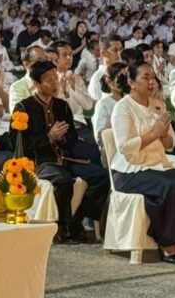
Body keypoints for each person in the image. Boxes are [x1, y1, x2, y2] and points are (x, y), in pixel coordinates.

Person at [111, 61, 175, 263]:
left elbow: (171, 144)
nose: (151, 82)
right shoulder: (123, 108)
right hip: (130, 171)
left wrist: (163, 135)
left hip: (157, 165)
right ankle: (167, 244)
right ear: (131, 82)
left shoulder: (158, 105)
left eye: (153, 77)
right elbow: (124, 146)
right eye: (145, 78)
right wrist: (154, 133)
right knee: (168, 186)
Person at [14, 60, 110, 245]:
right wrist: (49, 137)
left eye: (55, 78)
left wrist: (63, 138)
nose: (54, 84)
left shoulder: (62, 106)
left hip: (66, 157)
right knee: (63, 180)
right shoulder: (24, 107)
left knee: (100, 176)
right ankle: (61, 228)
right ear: (36, 83)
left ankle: (76, 218)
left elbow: (72, 137)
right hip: (39, 160)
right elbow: (19, 144)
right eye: (49, 80)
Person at [8, 46, 48, 110]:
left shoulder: (54, 84)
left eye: (46, 60)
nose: (45, 64)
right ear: (26, 64)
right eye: (39, 60)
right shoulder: (17, 87)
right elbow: (19, 114)